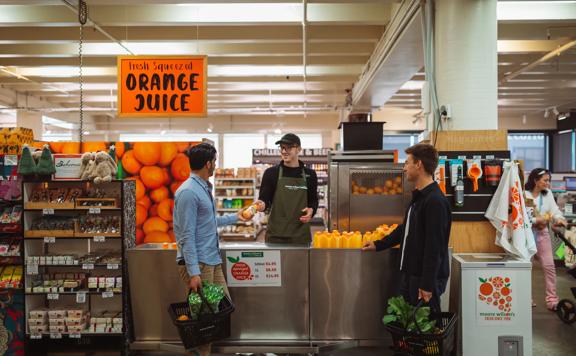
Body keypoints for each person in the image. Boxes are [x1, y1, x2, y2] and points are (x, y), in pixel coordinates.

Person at [173, 143, 250, 356]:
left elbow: (208, 222)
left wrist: (237, 216)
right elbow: (186, 235)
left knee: (220, 310)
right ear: (208, 163)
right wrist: (194, 273)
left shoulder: (202, 188)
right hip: (199, 263)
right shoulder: (188, 192)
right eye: (215, 161)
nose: (216, 165)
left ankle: (203, 352)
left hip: (211, 260)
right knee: (204, 320)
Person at [362, 143, 452, 313]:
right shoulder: (420, 197)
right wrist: (378, 244)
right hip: (411, 276)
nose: (404, 168)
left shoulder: (435, 202)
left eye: (407, 163)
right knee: (410, 329)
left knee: (425, 333)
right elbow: (407, 228)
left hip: (423, 282)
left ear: (419, 165)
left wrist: (426, 285)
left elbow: (435, 248)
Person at [255, 133, 318, 244]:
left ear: (299, 149)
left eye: (289, 147)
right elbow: (265, 199)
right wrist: (261, 205)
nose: (284, 151)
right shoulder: (271, 173)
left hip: (300, 235)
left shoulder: (310, 174)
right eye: (282, 147)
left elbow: (313, 200)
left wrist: (311, 210)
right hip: (275, 235)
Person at [525, 168, 567, 311]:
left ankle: (552, 300)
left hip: (542, 234)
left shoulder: (547, 194)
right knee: (526, 268)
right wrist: (540, 219)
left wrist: (559, 218)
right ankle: (526, 299)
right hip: (527, 235)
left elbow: (554, 210)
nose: (548, 183)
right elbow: (525, 218)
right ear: (536, 180)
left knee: (549, 267)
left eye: (549, 180)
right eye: (545, 180)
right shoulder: (524, 195)